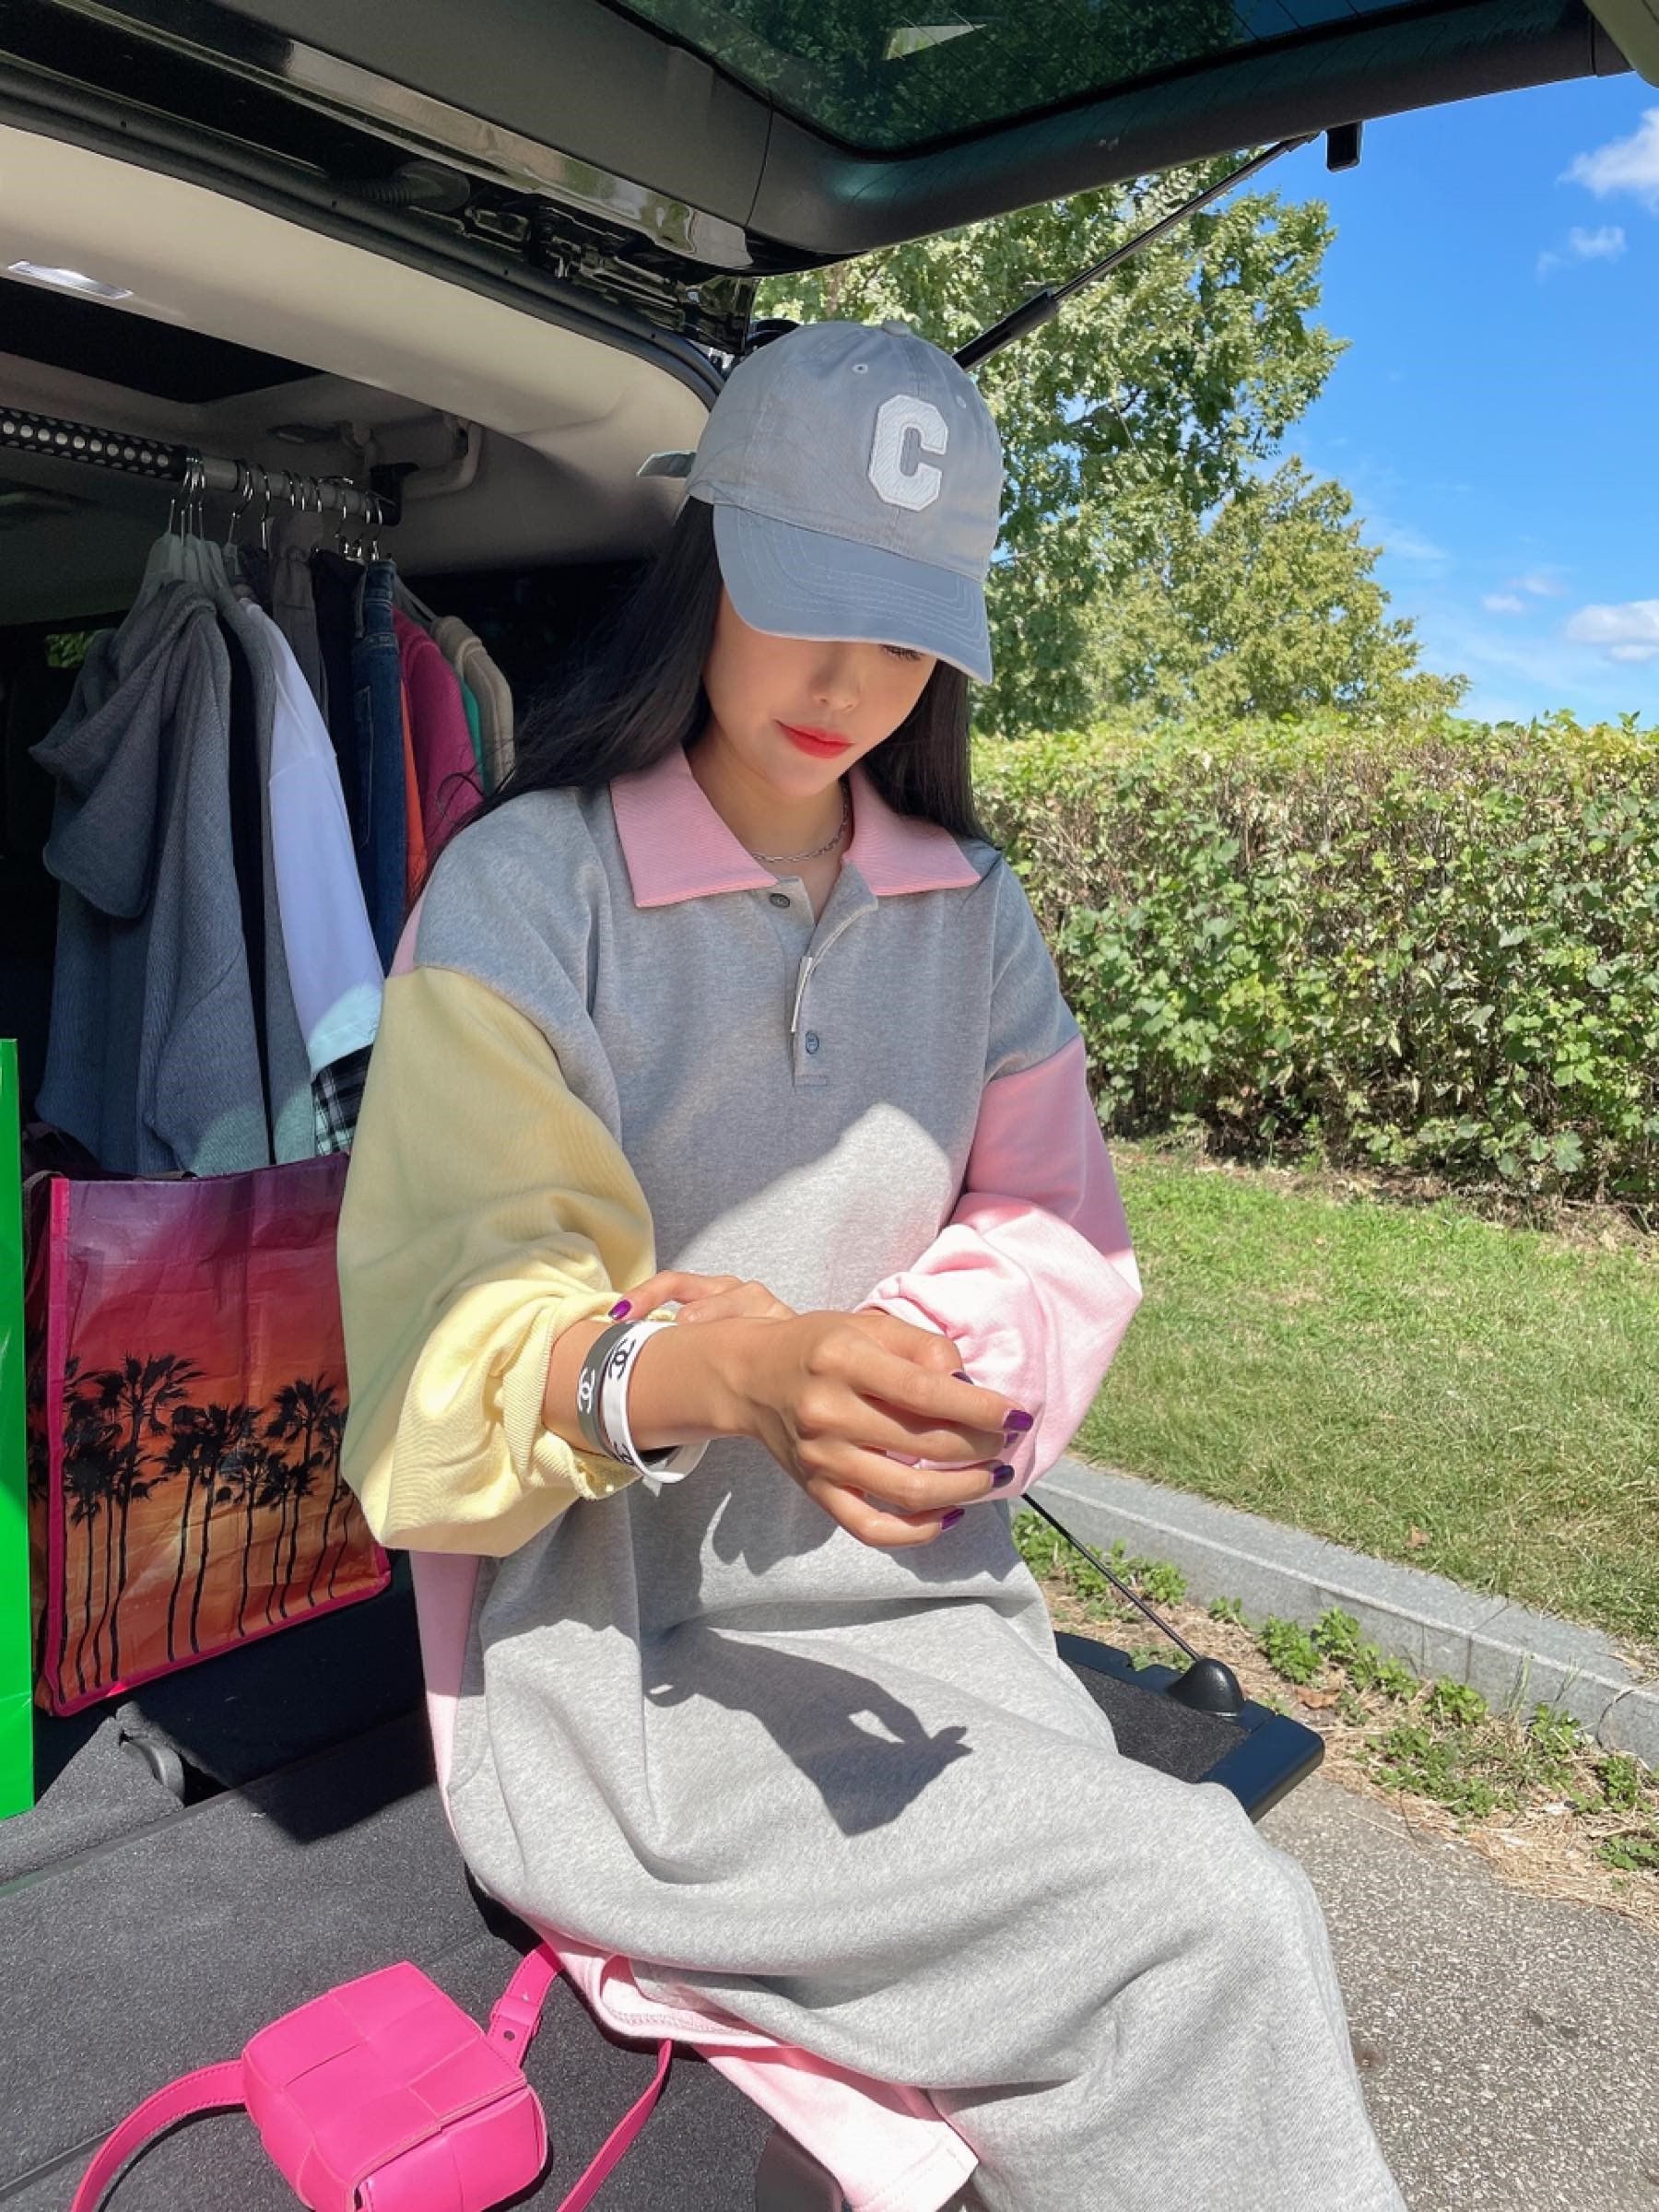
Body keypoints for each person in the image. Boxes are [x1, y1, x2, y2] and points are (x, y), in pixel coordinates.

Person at [336, 320, 1407, 2212]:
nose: (852, 679)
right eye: (808, 602)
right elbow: (455, 1343)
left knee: (1183, 1953)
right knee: (1212, 1923)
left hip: (949, 1629)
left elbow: (1059, 1235)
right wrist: (724, 1376)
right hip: (630, 1680)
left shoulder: (970, 908)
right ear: (707, 563)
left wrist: (890, 1355)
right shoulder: (522, 895)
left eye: (906, 631)